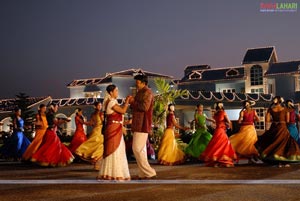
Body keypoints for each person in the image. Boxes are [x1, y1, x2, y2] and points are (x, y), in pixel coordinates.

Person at [97, 84, 131, 180]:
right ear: (111, 92)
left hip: (115, 128)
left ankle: (113, 172)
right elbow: (123, 111)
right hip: (113, 129)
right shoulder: (111, 102)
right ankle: (113, 173)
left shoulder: (111, 101)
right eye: (116, 91)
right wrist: (127, 101)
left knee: (118, 150)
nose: (117, 92)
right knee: (114, 149)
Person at [255, 96, 300, 167]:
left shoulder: (271, 110)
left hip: (274, 127)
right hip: (283, 128)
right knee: (283, 143)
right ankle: (284, 161)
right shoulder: (285, 109)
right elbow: (287, 121)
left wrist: (274, 121)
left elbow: (267, 120)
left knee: (274, 143)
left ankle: (277, 162)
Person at [128, 74, 157, 179]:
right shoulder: (141, 92)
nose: (136, 85)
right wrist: (132, 102)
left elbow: (145, 107)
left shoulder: (147, 92)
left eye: (138, 83)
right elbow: (137, 106)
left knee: (136, 148)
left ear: (144, 83)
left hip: (143, 124)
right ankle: (143, 173)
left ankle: (149, 172)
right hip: (138, 123)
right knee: (141, 150)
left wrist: (132, 102)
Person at [200, 102, 236, 167]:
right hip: (221, 130)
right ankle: (220, 160)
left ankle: (216, 160)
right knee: (222, 144)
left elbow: (217, 121)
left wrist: (226, 125)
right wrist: (228, 125)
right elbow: (228, 121)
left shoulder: (216, 113)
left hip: (218, 130)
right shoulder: (222, 113)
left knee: (217, 144)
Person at [75, 102, 104, 170]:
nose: (100, 106)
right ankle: (97, 163)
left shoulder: (94, 114)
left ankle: (96, 164)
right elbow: (98, 122)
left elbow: (91, 123)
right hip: (99, 131)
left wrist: (83, 122)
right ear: (95, 106)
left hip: (95, 131)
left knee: (96, 146)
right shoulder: (100, 113)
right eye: (99, 105)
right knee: (100, 146)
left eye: (101, 105)